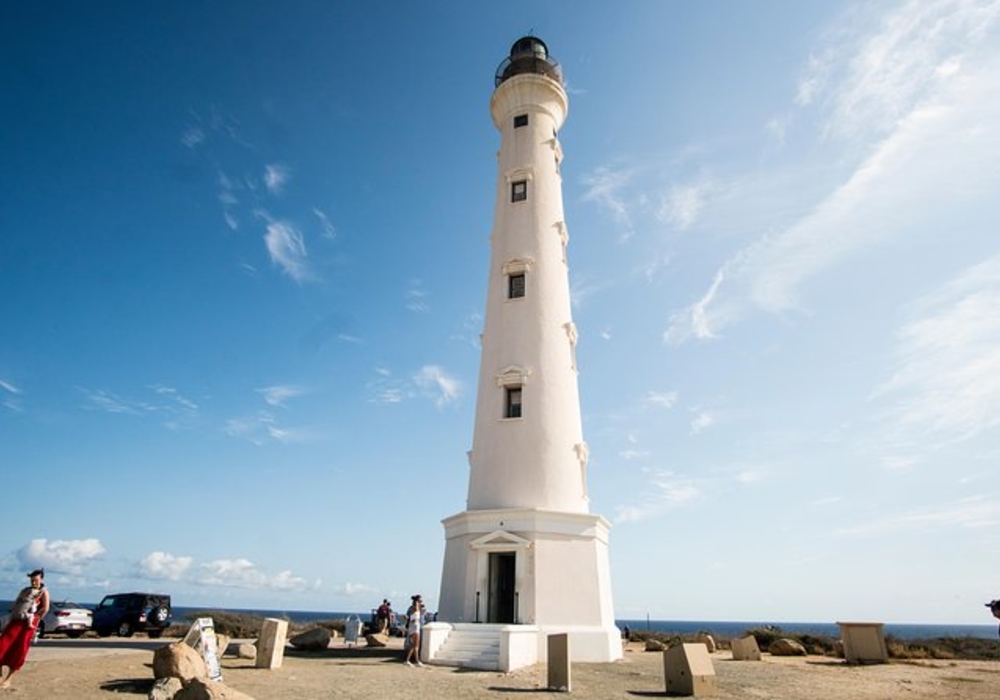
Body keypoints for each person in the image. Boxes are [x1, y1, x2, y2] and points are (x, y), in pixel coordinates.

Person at [0, 569, 50, 690]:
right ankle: (0, 676)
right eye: (32, 579)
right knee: (2, 645)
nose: (33, 582)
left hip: (28, 624)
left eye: (36, 579)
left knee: (20, 650)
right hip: (16, 620)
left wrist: (35, 618)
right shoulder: (25, 590)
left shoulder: (43, 592)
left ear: (41, 579)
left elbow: (45, 608)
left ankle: (9, 679)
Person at [403, 594, 425, 667]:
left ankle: (415, 661)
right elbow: (411, 616)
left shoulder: (413, 608)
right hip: (415, 627)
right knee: (415, 645)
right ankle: (410, 660)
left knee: (415, 645)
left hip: (414, 627)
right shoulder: (415, 608)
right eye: (420, 600)